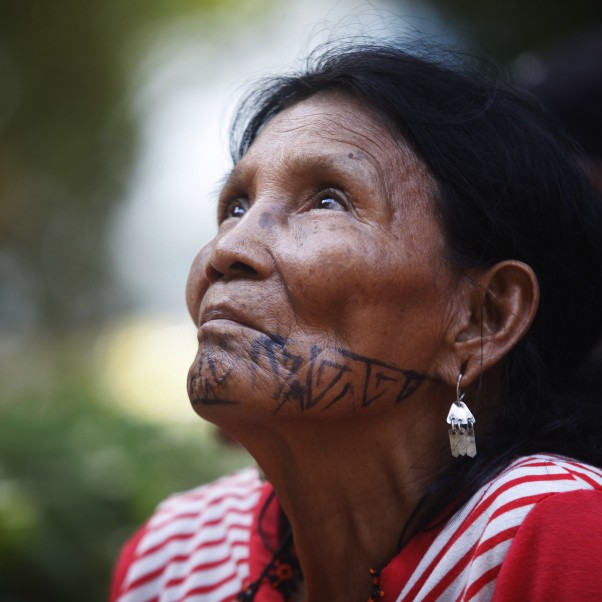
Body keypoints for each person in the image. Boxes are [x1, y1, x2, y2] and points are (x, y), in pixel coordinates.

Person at [110, 40, 602, 602]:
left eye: (327, 201)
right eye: (236, 205)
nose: (226, 249)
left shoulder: (558, 537)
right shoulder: (173, 557)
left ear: (481, 319)